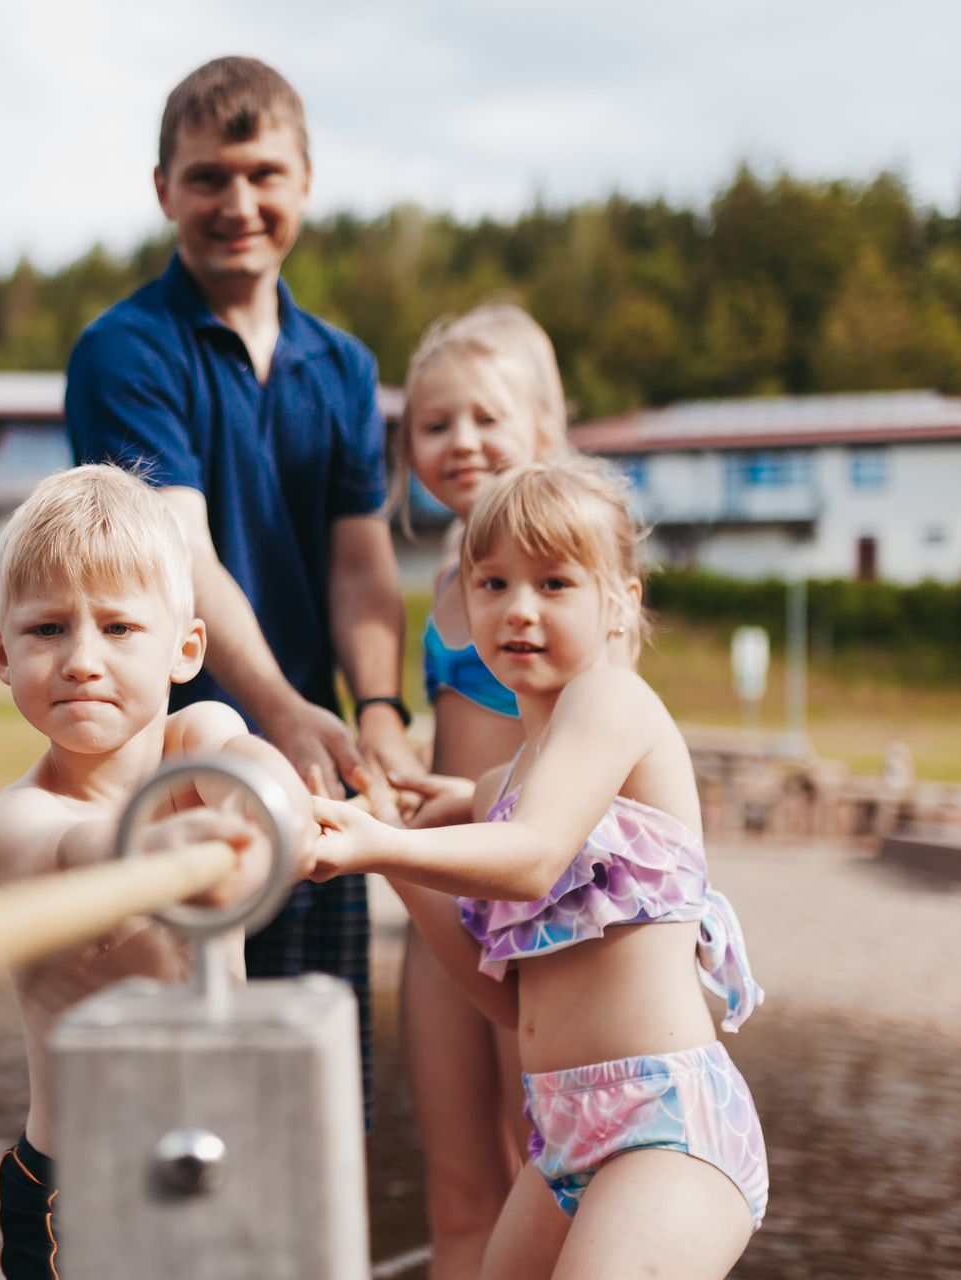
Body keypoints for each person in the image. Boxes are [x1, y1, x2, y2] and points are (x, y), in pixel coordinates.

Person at [64, 55, 418, 1123]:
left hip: (310, 752)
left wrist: (384, 714)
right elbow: (184, 553)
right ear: (164, 187)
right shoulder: (123, 349)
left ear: (305, 181)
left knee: (318, 1084)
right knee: (183, 1099)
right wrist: (277, 708)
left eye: (264, 174)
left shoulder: (346, 366)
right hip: (171, 758)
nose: (239, 203)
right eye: (209, 176)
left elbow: (360, 561)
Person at [311, 456, 768, 1279]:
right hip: (561, 1133)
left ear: (621, 604)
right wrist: (398, 861)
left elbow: (531, 858)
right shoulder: (502, 786)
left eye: (554, 584)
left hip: (664, 1123)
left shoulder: (613, 702)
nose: (518, 609)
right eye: (492, 585)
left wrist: (376, 842)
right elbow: (501, 996)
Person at [0, 463, 312, 1280]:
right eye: (48, 629)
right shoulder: (18, 819)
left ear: (185, 648)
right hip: (84, 1187)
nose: (81, 659)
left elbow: (262, 776)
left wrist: (274, 815)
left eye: (119, 629)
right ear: (1, 651)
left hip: (228, 1152)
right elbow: (81, 855)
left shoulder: (199, 739)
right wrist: (158, 856)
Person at [383, 303, 571, 1278]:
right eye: (435, 423)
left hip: (539, 899)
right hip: (443, 883)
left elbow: (591, 744)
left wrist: (451, 801)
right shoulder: (446, 576)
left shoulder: (568, 576)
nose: (461, 441)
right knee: (459, 1183)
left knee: (551, 1176)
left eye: (486, 418)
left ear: (542, 427)